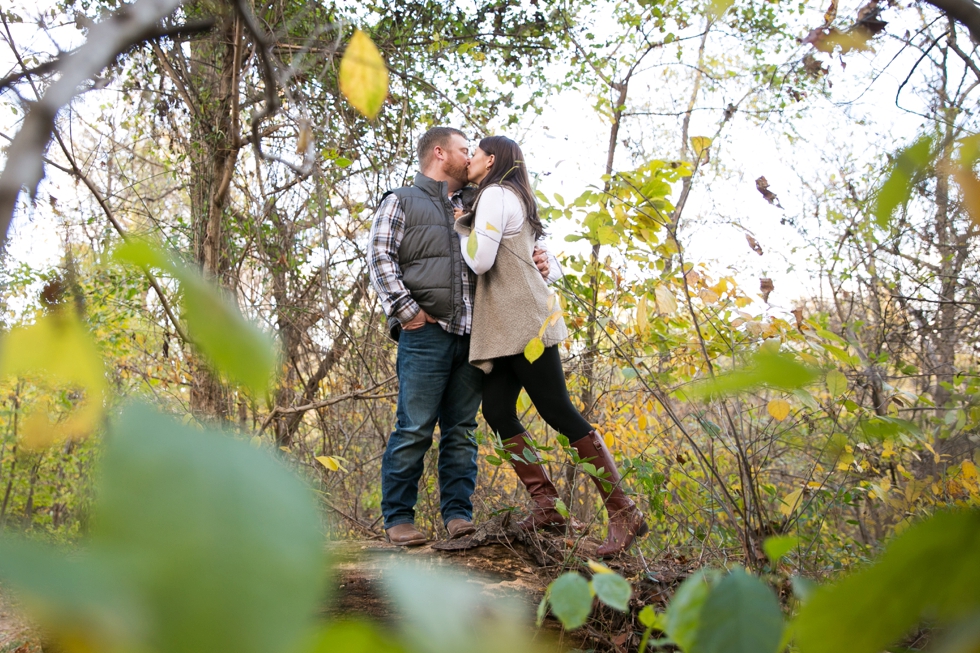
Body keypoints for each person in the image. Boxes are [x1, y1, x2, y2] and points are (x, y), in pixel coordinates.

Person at [453, 135, 649, 557]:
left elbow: (481, 260)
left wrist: (460, 226)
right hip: (509, 323)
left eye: (475, 153)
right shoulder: (509, 196)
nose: (469, 158)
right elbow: (538, 258)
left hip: (523, 320)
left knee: (557, 409)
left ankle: (624, 510)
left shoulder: (494, 195)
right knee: (497, 409)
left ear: (491, 160)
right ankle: (547, 506)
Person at [368, 127, 553, 546]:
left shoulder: (480, 201)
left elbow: (519, 245)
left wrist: (540, 260)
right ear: (439, 153)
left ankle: (457, 516)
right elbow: (379, 258)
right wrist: (408, 312)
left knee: (461, 430)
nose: (469, 158)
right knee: (414, 428)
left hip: (475, 338)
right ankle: (398, 519)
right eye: (463, 150)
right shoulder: (401, 200)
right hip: (426, 334)